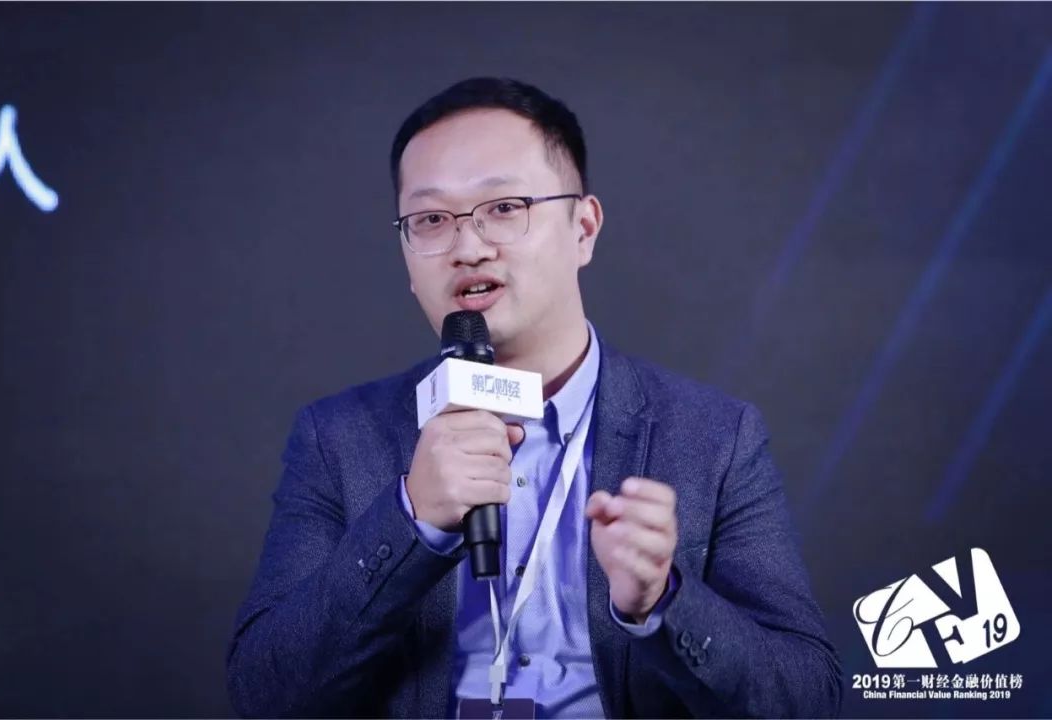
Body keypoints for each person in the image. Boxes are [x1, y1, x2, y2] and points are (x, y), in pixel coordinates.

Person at [226, 77, 842, 718]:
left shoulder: (714, 438)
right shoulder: (338, 437)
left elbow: (807, 699)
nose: (468, 247)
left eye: (504, 207)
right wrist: (412, 520)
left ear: (584, 229)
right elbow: (265, 694)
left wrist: (663, 600)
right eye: (431, 220)